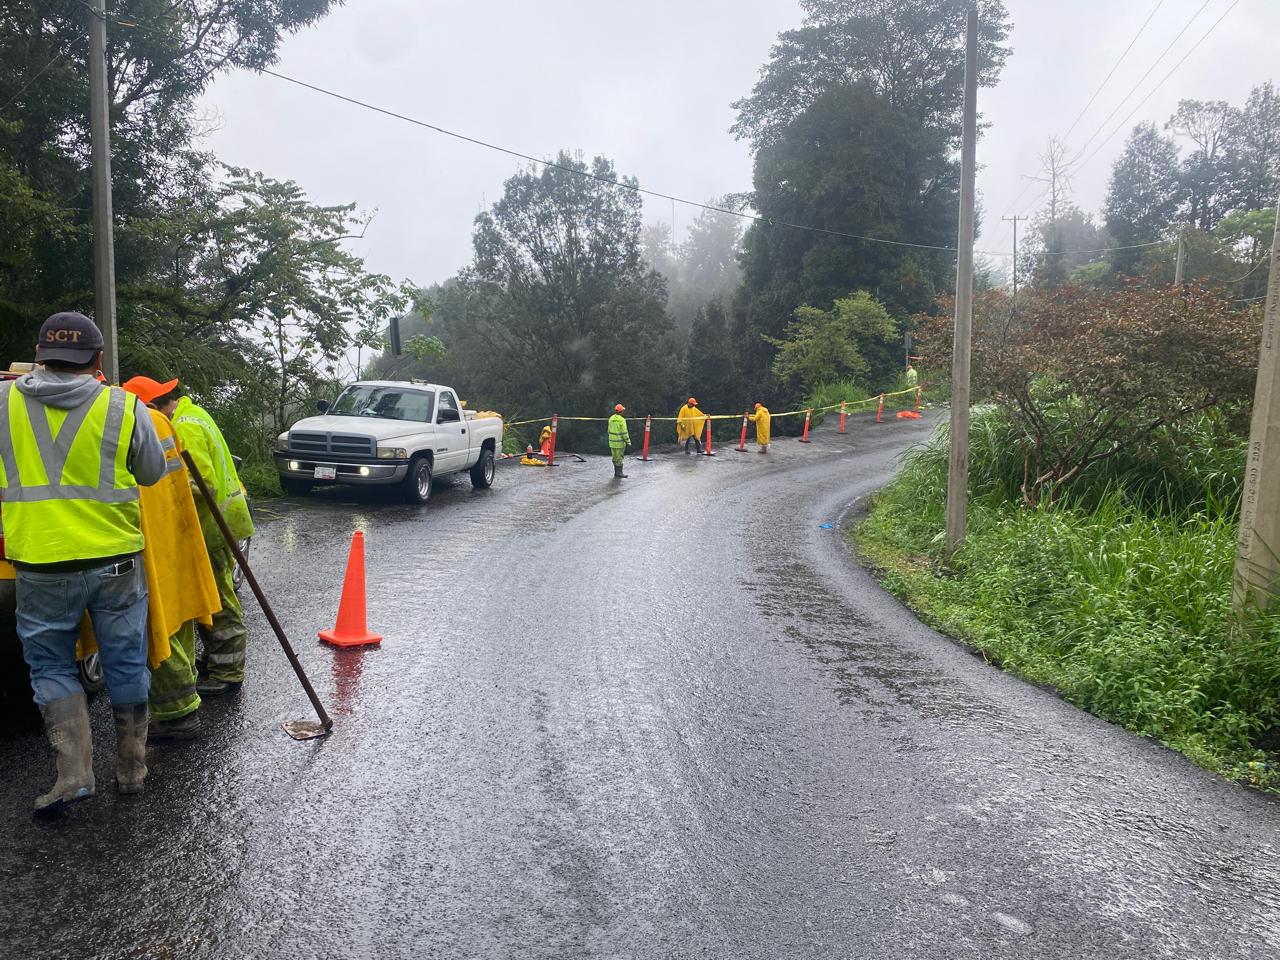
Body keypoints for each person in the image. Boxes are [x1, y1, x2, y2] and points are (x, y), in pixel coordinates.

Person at [1, 313, 166, 809]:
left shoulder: (4, 403)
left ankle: (73, 777)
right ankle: (132, 769)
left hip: (41, 562)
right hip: (116, 560)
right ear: (97, 360)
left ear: (38, 353)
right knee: (125, 660)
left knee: (51, 665)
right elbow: (152, 473)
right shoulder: (124, 405)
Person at [122, 376, 223, 739]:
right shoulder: (164, 424)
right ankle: (184, 704)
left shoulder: (139, 425)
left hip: (156, 541)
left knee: (160, 626)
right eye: (162, 398)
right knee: (178, 621)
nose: (169, 402)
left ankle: (178, 713)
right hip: (176, 537)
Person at [147, 383, 254, 698]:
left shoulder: (185, 426)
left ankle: (227, 671)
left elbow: (201, 481)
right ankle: (217, 662)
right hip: (217, 523)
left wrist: (165, 487)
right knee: (210, 596)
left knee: (217, 599)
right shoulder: (190, 415)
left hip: (211, 525)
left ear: (157, 406)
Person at [608, 404, 630, 479]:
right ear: (621, 411)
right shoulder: (622, 420)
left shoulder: (611, 418)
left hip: (612, 442)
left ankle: (616, 472)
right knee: (620, 458)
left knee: (614, 458)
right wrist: (628, 441)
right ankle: (619, 473)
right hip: (619, 443)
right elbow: (624, 432)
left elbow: (608, 430)